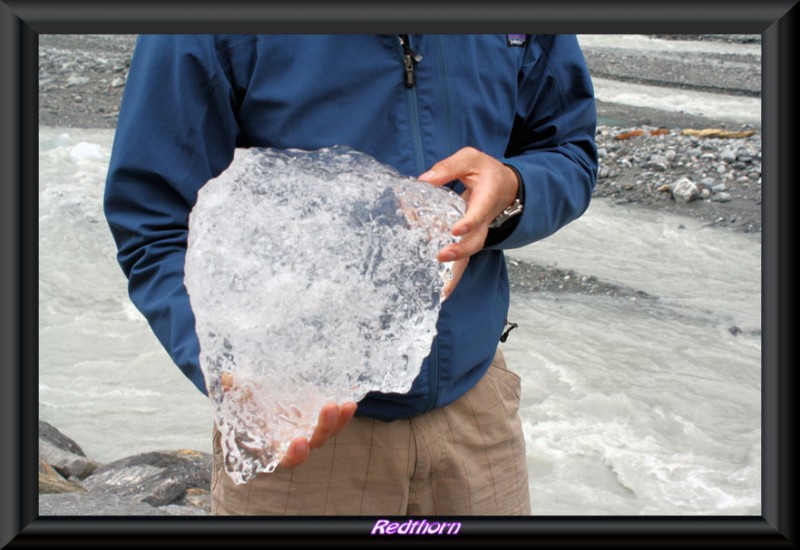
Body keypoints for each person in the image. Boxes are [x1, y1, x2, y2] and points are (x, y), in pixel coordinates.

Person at [103, 34, 597, 515]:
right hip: (304, 431)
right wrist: (229, 371)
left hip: (477, 412)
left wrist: (512, 192)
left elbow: (569, 150)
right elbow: (155, 218)